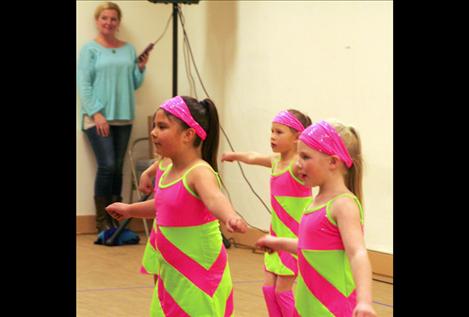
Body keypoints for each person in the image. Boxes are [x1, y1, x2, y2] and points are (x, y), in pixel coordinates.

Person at [106, 96, 248, 316]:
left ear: (188, 135)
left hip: (198, 274)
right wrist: (129, 210)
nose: (153, 132)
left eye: (162, 126)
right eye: (155, 125)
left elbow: (214, 198)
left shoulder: (199, 171)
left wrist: (230, 216)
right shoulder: (169, 170)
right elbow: (163, 205)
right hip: (172, 273)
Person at [256, 120, 377, 317]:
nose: (298, 163)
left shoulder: (343, 205)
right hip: (308, 306)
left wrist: (364, 300)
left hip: (333, 308)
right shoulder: (315, 202)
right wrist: (278, 242)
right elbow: (310, 247)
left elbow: (357, 253)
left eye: (305, 157)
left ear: (332, 162)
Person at [221, 109, 312, 317]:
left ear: (297, 137)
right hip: (275, 237)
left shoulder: (299, 166)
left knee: (282, 292)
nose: (272, 136)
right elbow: (253, 157)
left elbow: (320, 168)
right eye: (271, 131)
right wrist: (235, 155)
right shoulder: (275, 162)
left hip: (293, 238)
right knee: (268, 289)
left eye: (279, 132)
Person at [77, 1, 152, 233]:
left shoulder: (128, 49)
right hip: (97, 117)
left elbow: (134, 83)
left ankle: (116, 218)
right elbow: (83, 83)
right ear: (97, 21)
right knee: (107, 165)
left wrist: (140, 68)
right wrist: (96, 112)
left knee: (118, 167)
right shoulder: (89, 49)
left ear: (118, 23)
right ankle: (102, 220)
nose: (109, 22)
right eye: (104, 18)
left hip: (124, 116)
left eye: (113, 19)